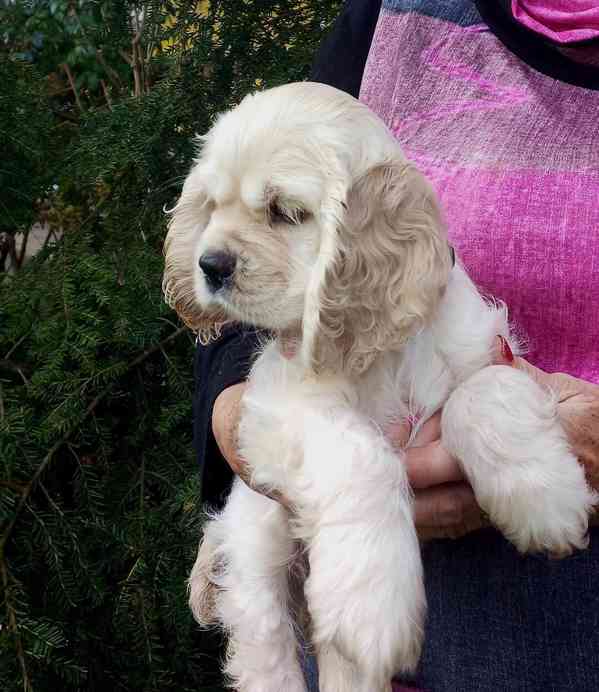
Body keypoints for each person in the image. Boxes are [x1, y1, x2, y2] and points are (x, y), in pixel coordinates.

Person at [193, 1, 599, 689]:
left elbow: (478, 366)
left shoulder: (447, 304)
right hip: (348, 631)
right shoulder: (388, 11)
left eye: (283, 211)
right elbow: (240, 319)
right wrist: (242, 415)